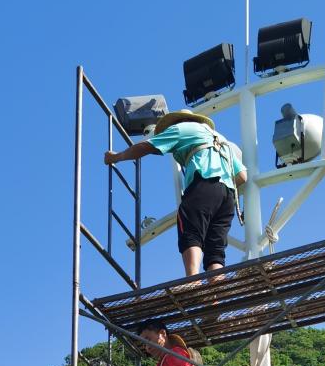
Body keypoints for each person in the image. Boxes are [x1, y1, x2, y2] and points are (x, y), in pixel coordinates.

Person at [104, 110, 246, 276]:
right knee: (215, 247)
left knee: (190, 231)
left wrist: (116, 157)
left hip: (204, 183)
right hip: (227, 196)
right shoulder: (221, 140)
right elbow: (242, 176)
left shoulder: (182, 128)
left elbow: (146, 146)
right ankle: (215, 297)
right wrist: (220, 185)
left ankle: (192, 281)